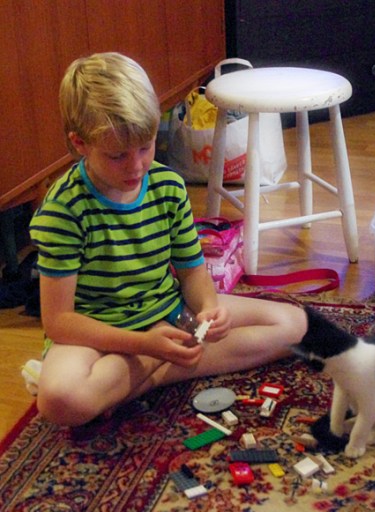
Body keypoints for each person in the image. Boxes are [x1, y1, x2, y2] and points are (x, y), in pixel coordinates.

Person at [28, 52, 308, 427]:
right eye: (117, 155)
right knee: (59, 400)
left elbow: (192, 273)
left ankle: (145, 375)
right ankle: (161, 361)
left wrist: (208, 308)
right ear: (80, 143)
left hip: (170, 313)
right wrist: (144, 344)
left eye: (145, 147)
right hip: (97, 336)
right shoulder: (64, 209)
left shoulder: (168, 187)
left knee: (295, 325)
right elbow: (59, 322)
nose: (136, 166)